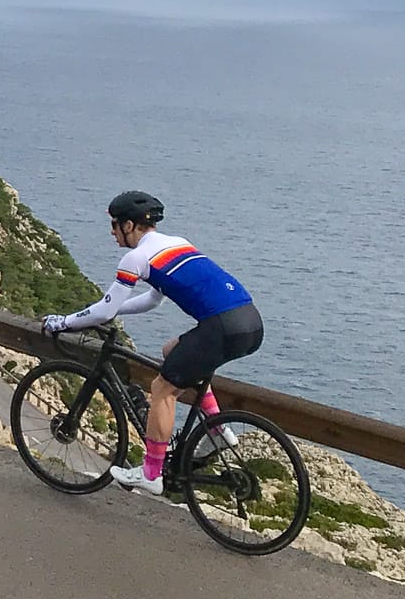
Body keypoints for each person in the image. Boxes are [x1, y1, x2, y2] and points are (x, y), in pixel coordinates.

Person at [41, 192, 262, 496]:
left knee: (162, 390)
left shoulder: (136, 257)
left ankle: (151, 473)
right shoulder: (177, 243)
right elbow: (153, 300)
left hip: (220, 328)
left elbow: (104, 310)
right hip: (249, 321)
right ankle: (217, 429)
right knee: (172, 352)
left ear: (129, 225)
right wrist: (113, 308)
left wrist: (63, 321)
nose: (112, 232)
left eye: (115, 225)